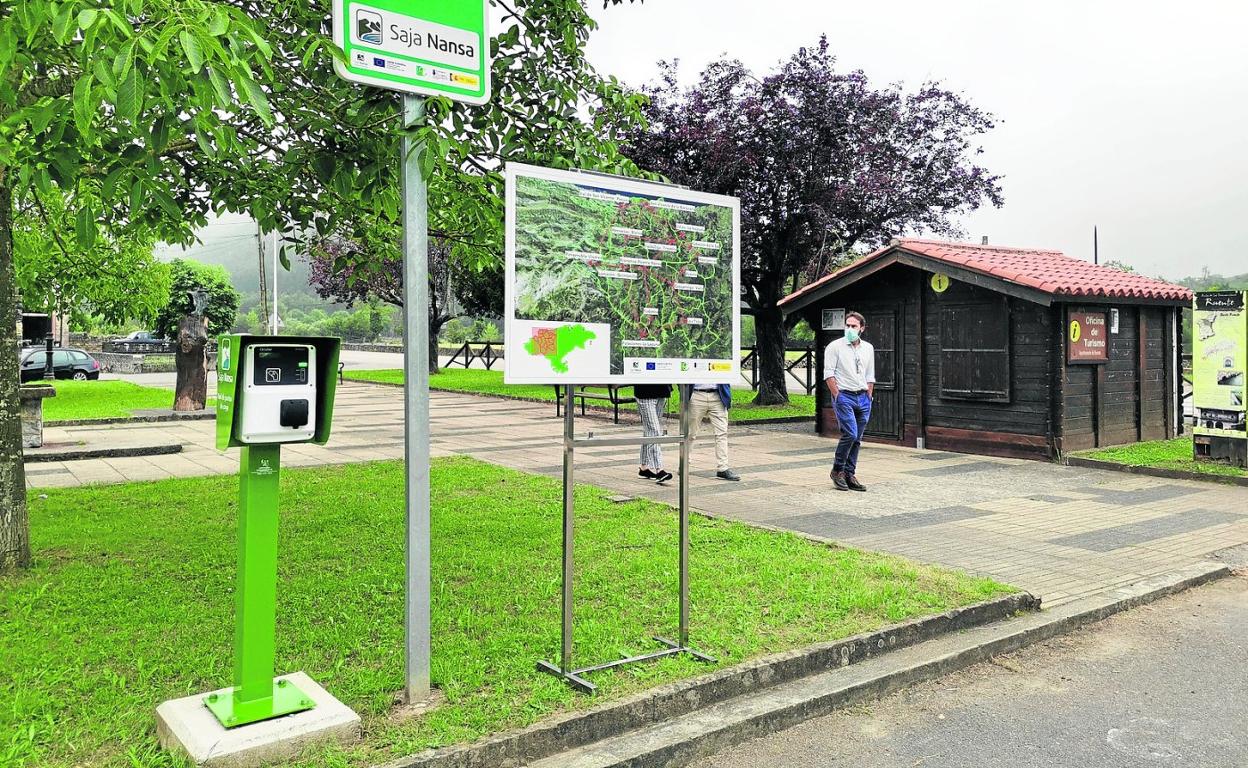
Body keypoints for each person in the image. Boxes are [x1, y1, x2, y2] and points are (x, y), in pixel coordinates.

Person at [824, 311, 874, 491]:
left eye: (854, 326)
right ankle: (837, 470)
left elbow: (870, 374)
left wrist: (869, 394)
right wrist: (837, 394)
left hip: (863, 396)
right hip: (844, 395)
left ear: (862, 328)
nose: (850, 329)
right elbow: (829, 373)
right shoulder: (835, 346)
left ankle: (849, 473)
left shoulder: (868, 348)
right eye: (847, 325)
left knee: (858, 438)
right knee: (850, 433)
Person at [689, 383, 740, 481]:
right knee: (690, 433)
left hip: (718, 395)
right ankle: (684, 463)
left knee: (722, 433)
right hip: (695, 395)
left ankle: (723, 468)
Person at [635, 383, 673, 483]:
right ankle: (659, 469)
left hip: (661, 390)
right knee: (654, 431)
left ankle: (644, 468)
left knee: (649, 431)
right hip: (645, 393)